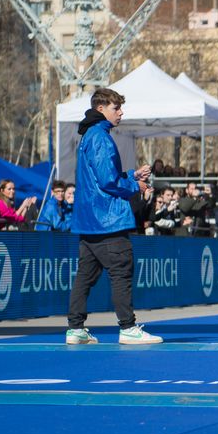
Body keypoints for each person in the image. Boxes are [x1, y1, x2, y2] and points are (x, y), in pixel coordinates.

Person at [66, 87, 161, 345]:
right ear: (101, 109)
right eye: (115, 107)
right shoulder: (100, 136)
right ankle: (128, 328)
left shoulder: (89, 135)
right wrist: (135, 186)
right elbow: (107, 181)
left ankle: (75, 329)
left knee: (85, 275)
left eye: (120, 107)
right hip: (107, 219)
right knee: (121, 272)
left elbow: (102, 177)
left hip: (90, 222)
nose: (120, 112)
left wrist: (131, 175)